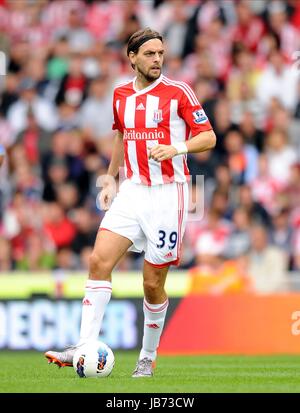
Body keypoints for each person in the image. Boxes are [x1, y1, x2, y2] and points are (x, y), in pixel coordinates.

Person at [45, 27, 216, 377]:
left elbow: (208, 136)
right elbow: (122, 135)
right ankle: (84, 347)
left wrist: (176, 148)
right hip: (133, 190)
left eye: (160, 53)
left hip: (169, 193)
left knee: (152, 283)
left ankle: (147, 356)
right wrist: (110, 179)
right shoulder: (121, 94)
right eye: (149, 54)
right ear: (132, 57)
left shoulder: (178, 91)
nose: (157, 59)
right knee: (98, 260)